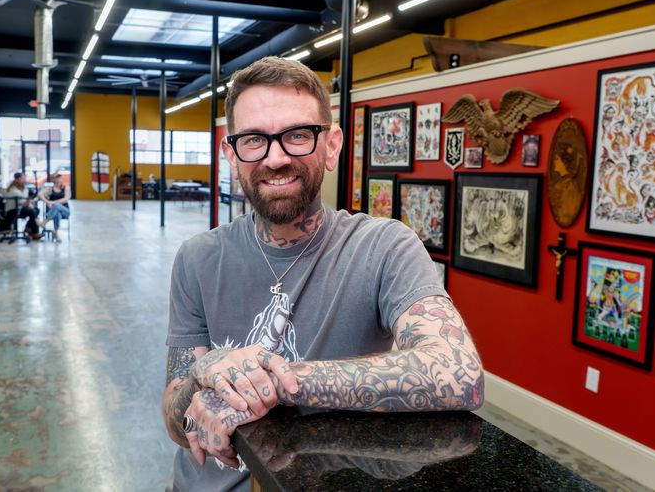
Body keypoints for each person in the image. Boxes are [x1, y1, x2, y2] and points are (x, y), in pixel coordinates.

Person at [162, 56, 484, 491]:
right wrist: (207, 371)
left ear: (331, 146)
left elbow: (458, 374)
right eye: (254, 140)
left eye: (297, 135)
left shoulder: (382, 247)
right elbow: (176, 421)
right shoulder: (197, 258)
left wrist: (275, 383)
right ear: (231, 154)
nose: (275, 158)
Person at [4, 172, 42, 241]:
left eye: (24, 178)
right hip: (13, 210)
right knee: (32, 211)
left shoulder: (23, 188)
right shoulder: (13, 190)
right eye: (22, 179)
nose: (24, 180)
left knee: (36, 210)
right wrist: (29, 202)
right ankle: (35, 232)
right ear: (16, 179)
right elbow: (23, 203)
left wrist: (29, 202)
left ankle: (28, 228)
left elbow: (25, 200)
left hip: (20, 208)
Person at [38, 172, 71, 242]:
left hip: (65, 211)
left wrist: (52, 202)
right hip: (54, 212)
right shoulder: (50, 188)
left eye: (59, 177)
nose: (58, 179)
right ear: (53, 179)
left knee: (57, 206)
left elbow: (66, 199)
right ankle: (55, 233)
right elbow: (40, 194)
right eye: (56, 177)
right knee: (57, 213)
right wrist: (46, 201)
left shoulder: (66, 187)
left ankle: (44, 222)